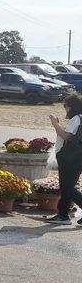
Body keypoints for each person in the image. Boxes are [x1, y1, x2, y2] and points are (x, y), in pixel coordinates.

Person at [46, 93, 82, 224]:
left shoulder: (76, 119)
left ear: (72, 107)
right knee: (68, 186)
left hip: (70, 158)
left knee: (67, 187)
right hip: (77, 158)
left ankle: (63, 215)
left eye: (66, 107)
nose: (66, 110)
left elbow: (65, 136)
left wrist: (55, 124)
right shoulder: (79, 119)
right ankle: (63, 214)